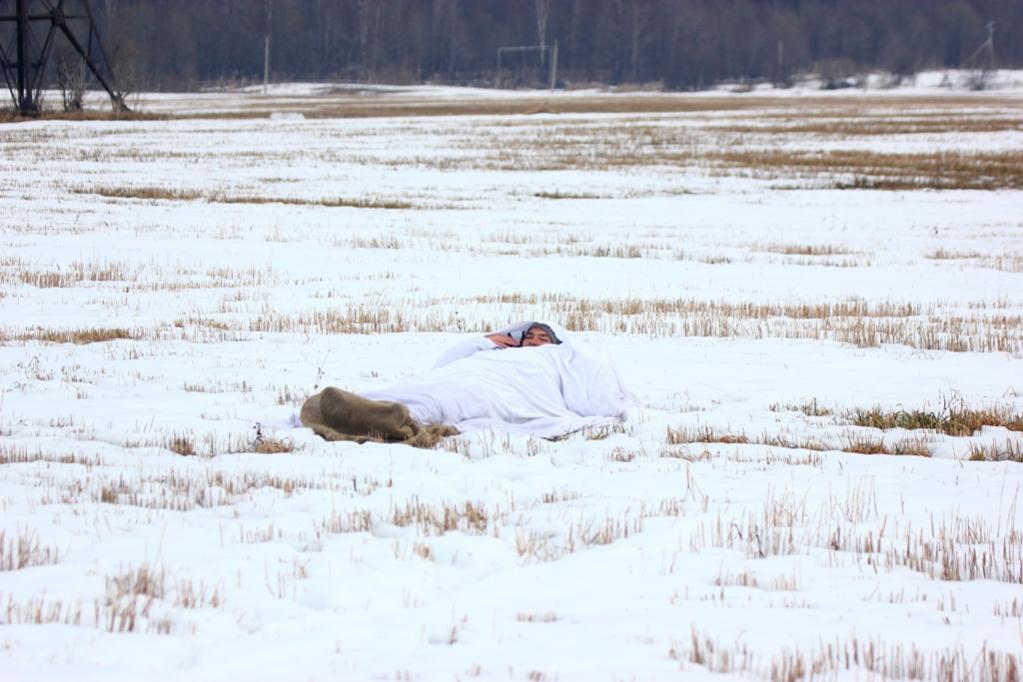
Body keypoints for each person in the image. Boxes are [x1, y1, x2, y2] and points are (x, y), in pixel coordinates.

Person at [301, 320, 635, 446]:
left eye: (542, 337)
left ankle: (391, 417)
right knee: (437, 386)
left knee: (461, 399)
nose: (534, 341)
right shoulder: (495, 352)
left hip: (510, 389)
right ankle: (369, 404)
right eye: (528, 336)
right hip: (473, 372)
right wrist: (487, 342)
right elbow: (446, 364)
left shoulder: (557, 359)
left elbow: (591, 389)